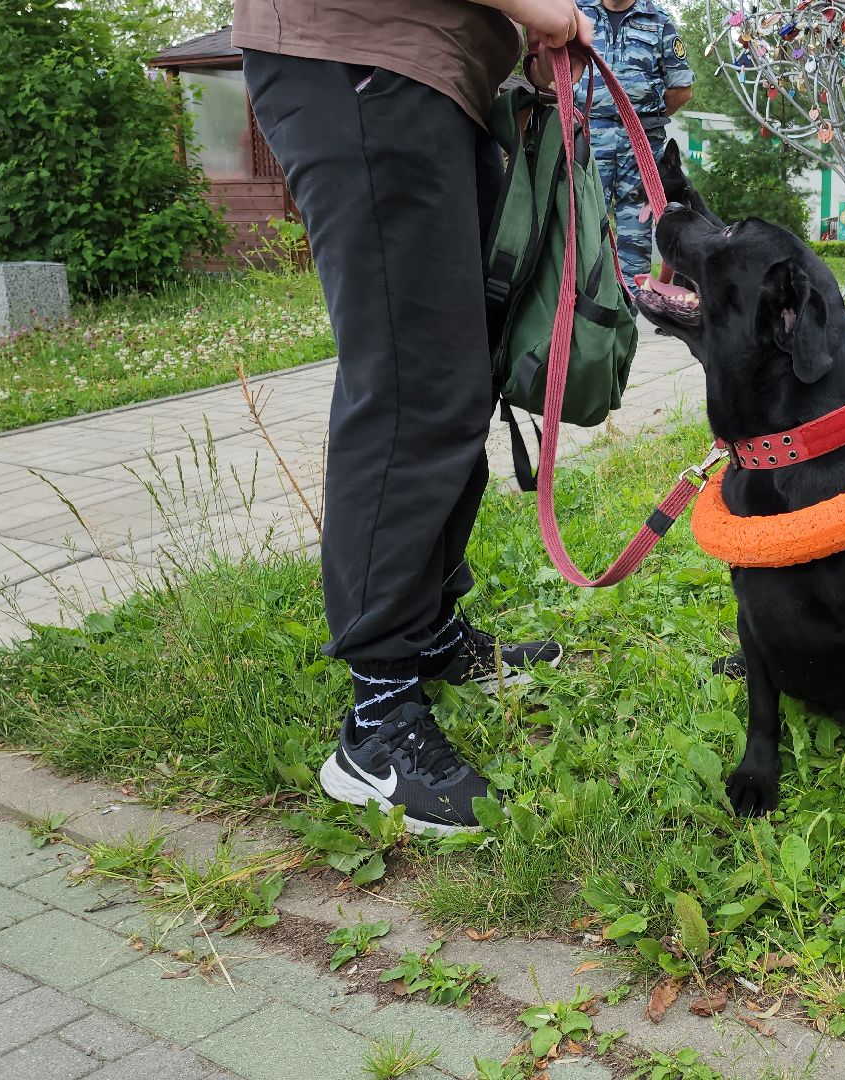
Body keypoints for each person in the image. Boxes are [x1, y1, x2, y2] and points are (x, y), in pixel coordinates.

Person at [233, 0, 589, 835]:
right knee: (408, 383)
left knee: (459, 378)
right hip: (360, 58)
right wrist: (546, 13)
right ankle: (377, 717)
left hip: (431, 76)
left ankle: (426, 632)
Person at [575, 0, 694, 287]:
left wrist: (641, 120)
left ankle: (627, 320)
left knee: (634, 242)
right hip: (590, 141)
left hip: (640, 148)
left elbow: (681, 89)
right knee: (583, 231)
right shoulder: (578, 13)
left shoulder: (659, 20)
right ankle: (585, 316)